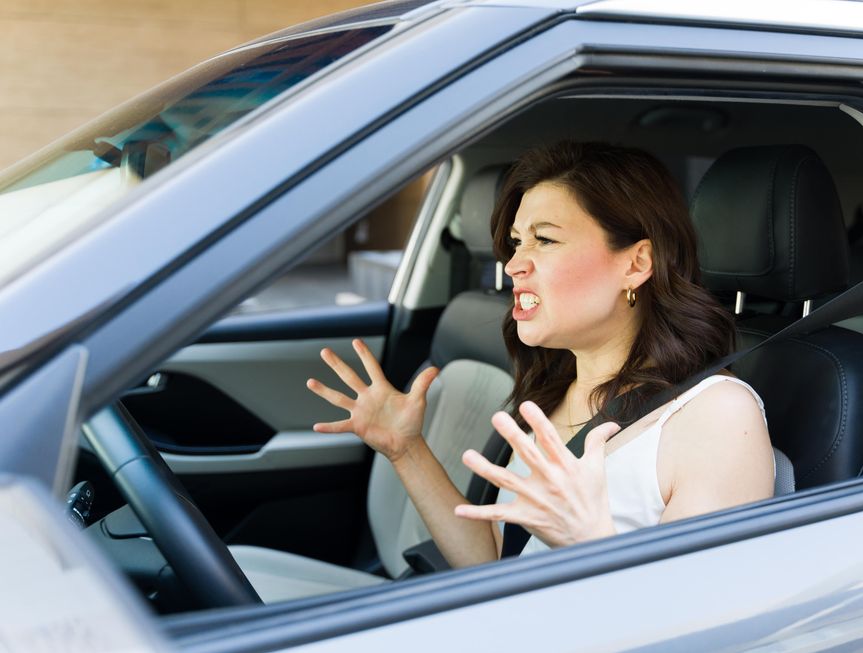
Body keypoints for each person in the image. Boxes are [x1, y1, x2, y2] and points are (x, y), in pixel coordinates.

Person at [306, 141, 774, 565]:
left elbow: (701, 627)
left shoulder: (715, 417)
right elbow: (495, 564)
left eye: (544, 239)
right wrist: (406, 450)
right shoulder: (555, 393)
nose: (512, 264)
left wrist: (587, 545)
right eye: (515, 242)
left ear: (636, 264)